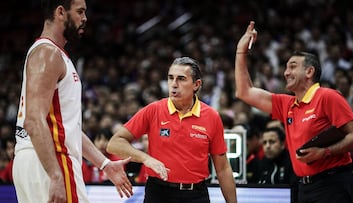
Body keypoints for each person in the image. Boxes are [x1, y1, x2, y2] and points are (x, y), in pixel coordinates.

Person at [12, 1, 133, 202]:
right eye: (80, 12)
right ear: (60, 12)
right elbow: (33, 121)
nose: (84, 18)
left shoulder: (49, 53)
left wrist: (104, 164)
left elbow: (69, 129)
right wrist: (55, 174)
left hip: (35, 159)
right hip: (53, 159)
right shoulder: (48, 53)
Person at [234, 21, 353, 203]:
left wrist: (324, 152)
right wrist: (241, 51)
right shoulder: (287, 104)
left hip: (332, 183)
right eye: (286, 67)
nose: (286, 72)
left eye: (292, 66)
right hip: (304, 186)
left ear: (309, 71)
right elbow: (244, 92)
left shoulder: (327, 96)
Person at [107, 57, 237, 203]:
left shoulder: (212, 116)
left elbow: (223, 168)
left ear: (196, 84)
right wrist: (146, 158)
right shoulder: (153, 110)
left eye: (181, 79)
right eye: (170, 78)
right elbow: (114, 143)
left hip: (196, 195)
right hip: (159, 193)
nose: (174, 84)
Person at [257, 127, 298, 202]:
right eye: (264, 142)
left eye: (272, 142)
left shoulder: (292, 162)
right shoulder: (262, 163)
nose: (267, 146)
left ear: (282, 144)